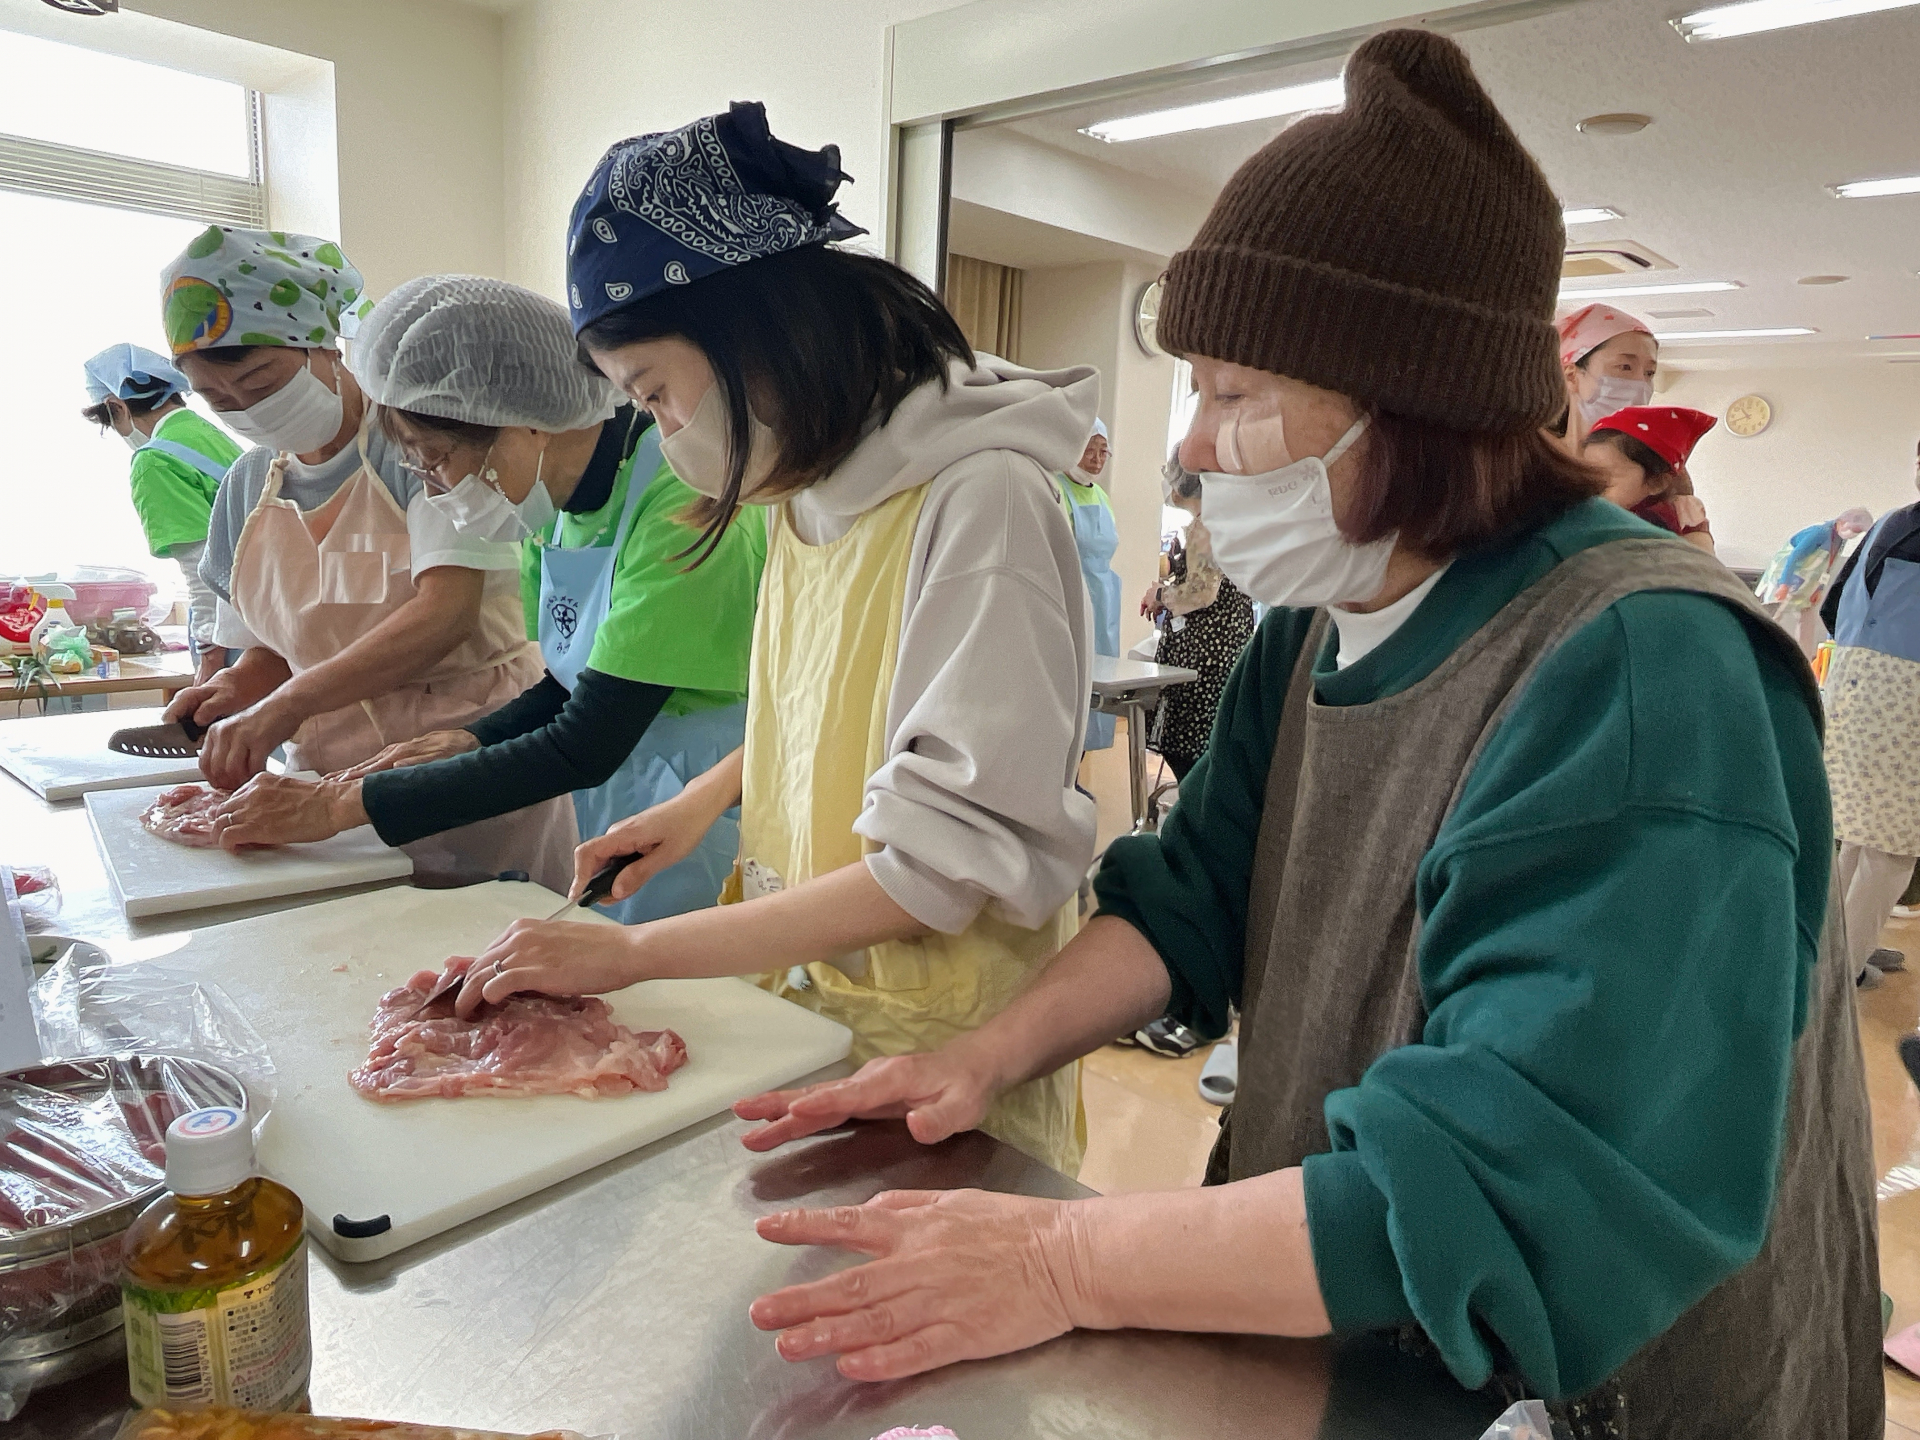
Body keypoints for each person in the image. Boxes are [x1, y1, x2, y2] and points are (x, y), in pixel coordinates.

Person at [720, 32, 1879, 1437]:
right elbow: (1196, 893)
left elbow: (1531, 1179)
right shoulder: (1321, 626)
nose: (1193, 448)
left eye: (1235, 394)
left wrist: (1059, 1257)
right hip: (1362, 1326)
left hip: (1605, 1386)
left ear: (1413, 403)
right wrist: (987, 1053)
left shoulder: (1644, 669)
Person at [445, 102, 1098, 1174]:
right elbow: (827, 710)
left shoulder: (982, 501)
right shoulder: (804, 491)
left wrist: (632, 956)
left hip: (937, 1052)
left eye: (656, 395)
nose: (664, 434)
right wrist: (698, 805)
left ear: (756, 333)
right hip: (813, 1010)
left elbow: (939, 864)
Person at [203, 277, 765, 923]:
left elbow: (587, 738)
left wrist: (338, 806)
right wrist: (468, 738)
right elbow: (566, 685)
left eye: (437, 460)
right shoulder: (557, 506)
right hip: (615, 800)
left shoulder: (681, 503)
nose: (436, 490)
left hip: (697, 808)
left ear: (521, 425)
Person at [157, 228, 575, 890]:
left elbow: (446, 612)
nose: (248, 410)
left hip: (460, 762)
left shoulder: (420, 443)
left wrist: (288, 702)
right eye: (219, 399)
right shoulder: (246, 486)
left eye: (260, 382)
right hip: (322, 790)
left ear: (326, 346)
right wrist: (236, 689)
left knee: (482, 939)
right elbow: (277, 645)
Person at [1817, 443, 1920, 989]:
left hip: (1854, 687)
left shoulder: (1890, 522)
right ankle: (1839, 974)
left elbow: (1833, 605)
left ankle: (1829, 953)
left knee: (1858, 837)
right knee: (1893, 851)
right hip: (1906, 701)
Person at [80, 343, 240, 681]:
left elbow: (200, 567)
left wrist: (210, 656)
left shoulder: (155, 461)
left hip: (232, 628)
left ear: (117, 406)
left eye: (111, 422)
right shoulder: (203, 432)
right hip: (268, 613)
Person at [1142, 454, 1255, 783]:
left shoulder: (1206, 527)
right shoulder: (1226, 522)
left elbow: (1202, 593)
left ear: (1183, 484)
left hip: (1204, 659)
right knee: (1207, 748)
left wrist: (1160, 595)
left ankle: (1194, 808)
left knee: (1189, 751)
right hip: (1224, 651)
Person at [1056, 417, 1121, 749]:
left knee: (1099, 684)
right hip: (1071, 596)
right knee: (1069, 684)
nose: (1096, 460)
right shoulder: (1056, 489)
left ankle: (1084, 756)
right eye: (1089, 450)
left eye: (1103, 451)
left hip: (1104, 601)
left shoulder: (1103, 497)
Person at [1583, 404, 1718, 553]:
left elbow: (1703, 560)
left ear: (1656, 483)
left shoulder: (1681, 511)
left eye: (1607, 480)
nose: (1593, 489)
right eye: (1587, 477)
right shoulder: (1588, 513)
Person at [1756, 505, 1873, 659]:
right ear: (1842, 522)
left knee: (1807, 619)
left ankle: (1804, 659)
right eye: (1854, 529)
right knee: (1773, 616)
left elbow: (1828, 566)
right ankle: (1761, 653)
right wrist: (1784, 584)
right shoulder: (1819, 533)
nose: (1853, 534)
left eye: (1857, 532)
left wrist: (1819, 589)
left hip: (1807, 584)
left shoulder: (1840, 540)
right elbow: (1794, 557)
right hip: (1785, 577)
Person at [1555, 301, 1658, 453]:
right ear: (1572, 376)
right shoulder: (1531, 460)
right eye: (1625, 367)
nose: (1641, 383)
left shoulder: (1649, 465)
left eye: (1649, 373)